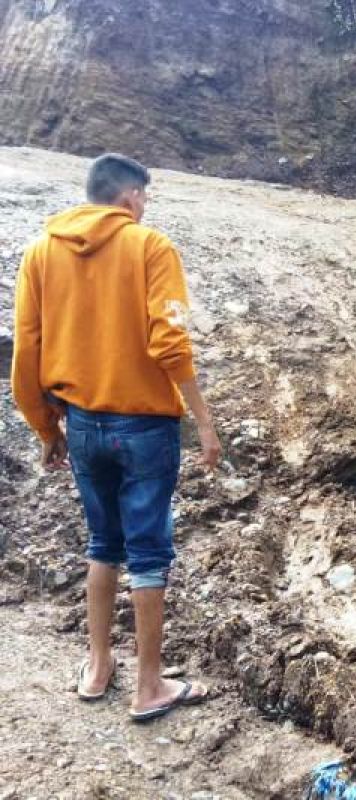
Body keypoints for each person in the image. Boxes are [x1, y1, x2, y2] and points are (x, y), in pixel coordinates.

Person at [11, 153, 221, 721]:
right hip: (144, 425)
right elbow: (170, 341)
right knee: (148, 551)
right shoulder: (149, 246)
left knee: (103, 545)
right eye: (144, 198)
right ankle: (149, 686)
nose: (144, 207)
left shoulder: (41, 251)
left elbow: (25, 348)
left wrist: (44, 426)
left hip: (80, 422)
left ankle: (99, 666)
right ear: (130, 196)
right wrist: (201, 419)